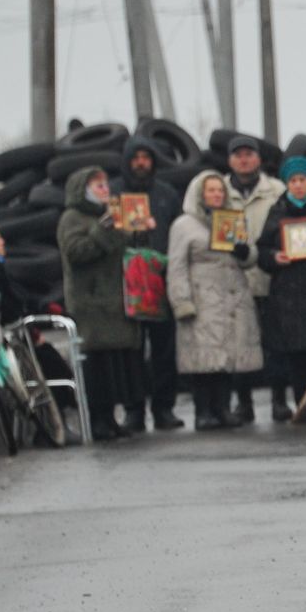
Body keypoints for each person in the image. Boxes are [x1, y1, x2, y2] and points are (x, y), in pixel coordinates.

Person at [168, 171, 264, 432]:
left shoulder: (233, 220)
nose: (217, 195)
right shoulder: (184, 225)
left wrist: (244, 252)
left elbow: (249, 257)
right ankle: (203, 411)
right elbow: (176, 266)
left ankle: (222, 408)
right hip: (202, 296)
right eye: (211, 190)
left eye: (220, 190)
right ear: (200, 193)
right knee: (203, 358)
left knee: (226, 356)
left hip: (231, 293)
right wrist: (182, 300)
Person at [57, 166, 140, 439]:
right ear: (84, 190)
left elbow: (124, 249)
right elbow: (76, 253)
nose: (105, 189)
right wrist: (104, 229)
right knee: (97, 365)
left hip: (115, 299)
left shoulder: (112, 216)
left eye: (106, 184)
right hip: (91, 302)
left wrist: (138, 230)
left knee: (116, 363)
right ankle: (98, 420)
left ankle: (112, 418)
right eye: (98, 186)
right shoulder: (72, 218)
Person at [110, 136, 185, 431]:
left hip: (161, 282)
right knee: (132, 352)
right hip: (127, 285)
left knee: (164, 349)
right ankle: (134, 410)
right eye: (136, 158)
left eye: (146, 157)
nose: (141, 163)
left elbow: (177, 232)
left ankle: (164, 408)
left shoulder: (166, 193)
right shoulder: (115, 193)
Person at [256, 157, 306, 422]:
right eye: (293, 181)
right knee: (298, 352)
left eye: (303, 180)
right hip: (289, 294)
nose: (298, 186)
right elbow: (262, 250)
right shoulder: (278, 211)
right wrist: (274, 257)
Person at [222, 135, 287, 422]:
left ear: (259, 159)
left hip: (271, 278)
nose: (244, 159)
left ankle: (279, 400)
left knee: (276, 344)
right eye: (238, 155)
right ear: (230, 160)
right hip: (234, 281)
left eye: (249, 154)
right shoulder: (219, 191)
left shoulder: (275, 190)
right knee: (239, 345)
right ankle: (243, 402)